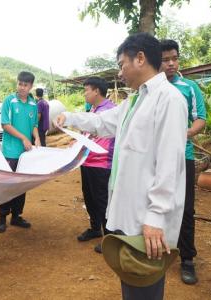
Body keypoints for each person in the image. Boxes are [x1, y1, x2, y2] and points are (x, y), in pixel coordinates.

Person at [56, 33, 188, 300]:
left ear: (140, 58)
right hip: (128, 212)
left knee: (144, 283)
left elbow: (169, 165)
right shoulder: (134, 101)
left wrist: (156, 217)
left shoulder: (169, 100)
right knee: (132, 282)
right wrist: (69, 117)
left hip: (147, 220)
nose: (120, 71)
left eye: (121, 63)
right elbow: (103, 123)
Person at [160, 39, 206, 285]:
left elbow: (201, 120)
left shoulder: (189, 87)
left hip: (182, 157)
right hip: (155, 159)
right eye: (165, 59)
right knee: (157, 205)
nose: (170, 63)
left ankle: (187, 258)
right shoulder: (151, 89)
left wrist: (183, 133)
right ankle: (162, 250)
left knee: (186, 208)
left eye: (174, 58)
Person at [0, 71, 40, 233]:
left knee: (22, 185)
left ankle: (16, 216)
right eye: (19, 83)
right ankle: (2, 217)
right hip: (10, 151)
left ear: (31, 87)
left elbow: (34, 124)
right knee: (7, 185)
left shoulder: (33, 104)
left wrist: (36, 138)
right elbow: (5, 124)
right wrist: (23, 138)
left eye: (25, 85)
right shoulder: (9, 101)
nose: (21, 87)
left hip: (26, 153)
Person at [75, 77, 115, 254]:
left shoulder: (111, 110)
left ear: (97, 91)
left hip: (102, 164)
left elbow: (109, 139)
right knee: (89, 197)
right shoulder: (93, 109)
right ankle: (94, 228)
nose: (85, 93)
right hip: (87, 161)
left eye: (86, 90)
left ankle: (109, 238)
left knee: (102, 201)